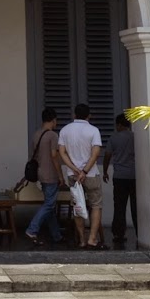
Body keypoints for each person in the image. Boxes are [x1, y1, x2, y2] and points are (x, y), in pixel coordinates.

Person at [58, 102, 104, 250]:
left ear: (74, 114)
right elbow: (95, 153)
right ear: (89, 115)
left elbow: (62, 153)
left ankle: (82, 240)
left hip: (73, 175)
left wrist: (75, 169)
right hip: (91, 174)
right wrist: (84, 171)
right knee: (96, 205)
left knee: (77, 205)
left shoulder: (65, 130)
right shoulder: (93, 130)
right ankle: (92, 239)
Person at [23, 107, 64, 247]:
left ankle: (57, 235)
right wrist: (60, 175)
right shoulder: (53, 135)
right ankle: (32, 229)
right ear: (53, 120)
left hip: (40, 173)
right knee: (49, 204)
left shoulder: (36, 134)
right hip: (50, 174)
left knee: (49, 205)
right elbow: (54, 156)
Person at [102, 113, 137, 249]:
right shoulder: (135, 137)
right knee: (135, 206)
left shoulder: (114, 138)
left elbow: (107, 156)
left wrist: (105, 171)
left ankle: (118, 233)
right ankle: (140, 231)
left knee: (119, 206)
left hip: (120, 176)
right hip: (134, 176)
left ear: (119, 125)